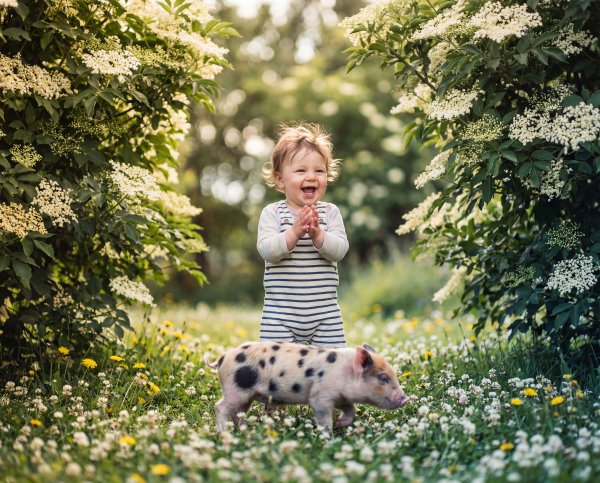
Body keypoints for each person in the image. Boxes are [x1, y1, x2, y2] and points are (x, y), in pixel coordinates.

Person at [257, 123, 349, 347]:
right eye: (300, 170)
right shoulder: (272, 213)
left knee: (333, 367)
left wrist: (318, 235)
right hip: (280, 317)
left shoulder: (330, 213)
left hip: (325, 317)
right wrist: (294, 232)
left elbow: (339, 250)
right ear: (280, 180)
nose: (311, 176)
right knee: (275, 368)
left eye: (319, 170)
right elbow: (267, 251)